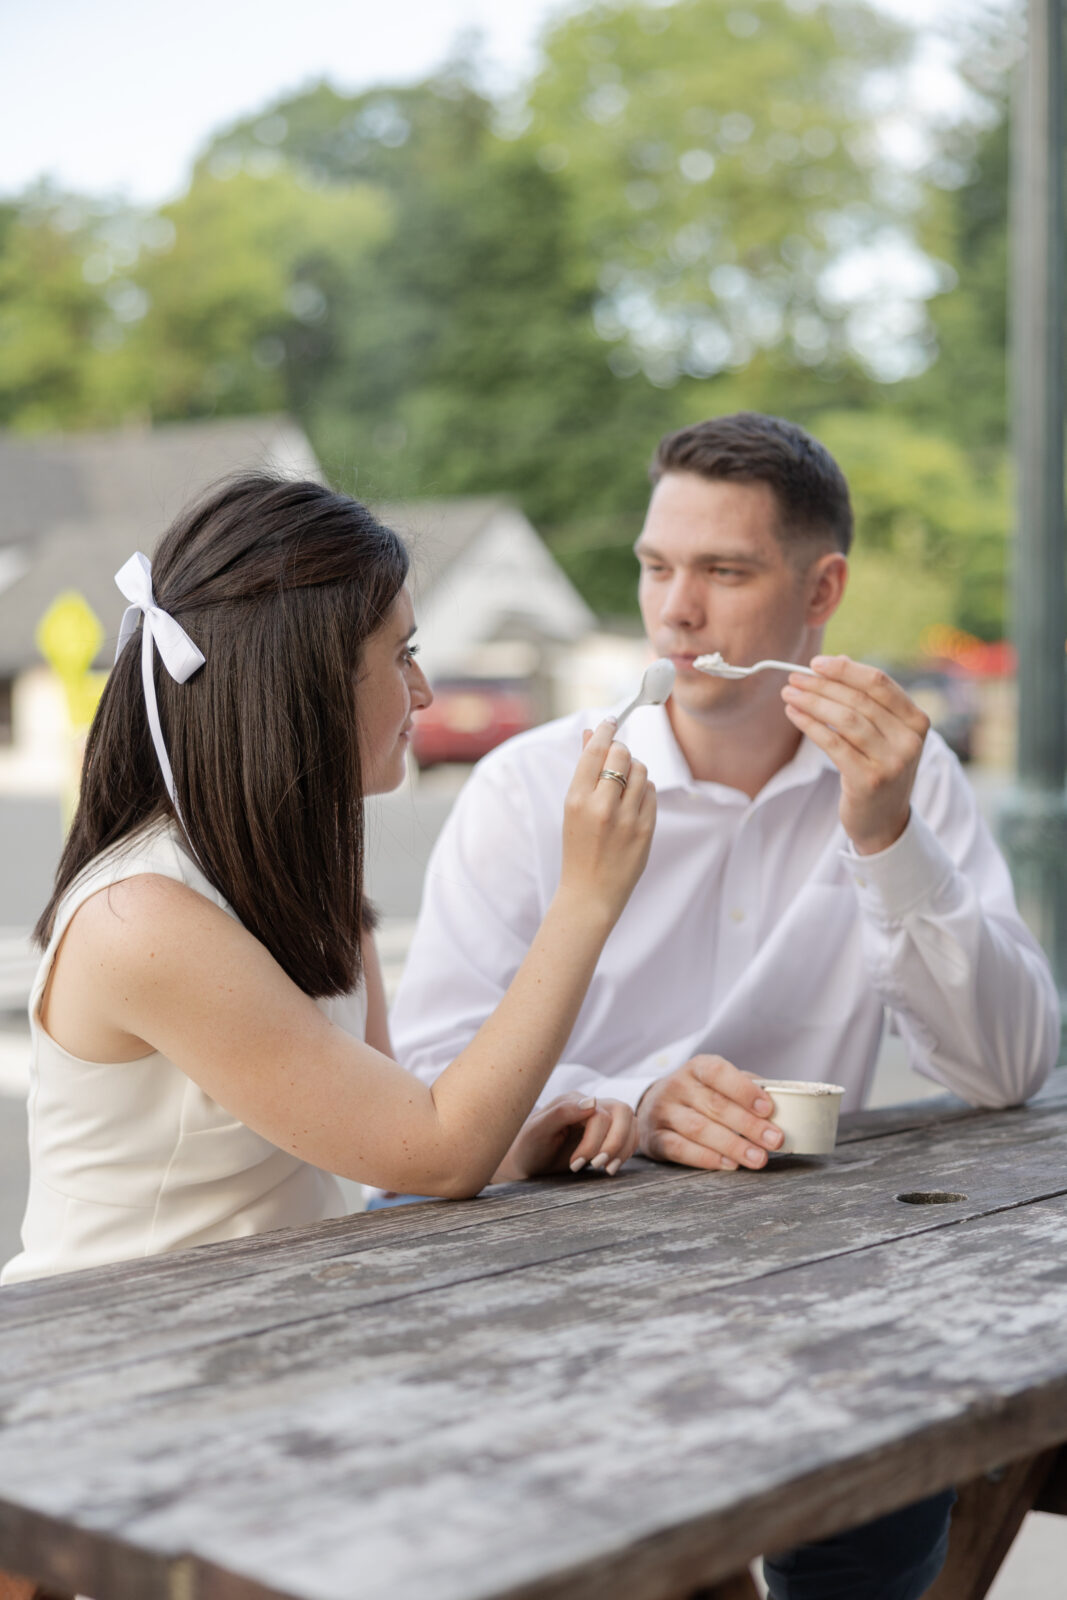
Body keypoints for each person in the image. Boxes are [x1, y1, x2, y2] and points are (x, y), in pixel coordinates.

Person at [389, 412, 1059, 1599]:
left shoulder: (903, 782)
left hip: (809, 1288)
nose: (676, 612)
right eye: (655, 567)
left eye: (724, 572)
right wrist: (627, 1105)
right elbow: (428, 1073)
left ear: (821, 591)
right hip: (552, 1288)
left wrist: (886, 837)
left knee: (886, 1477)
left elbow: (1006, 1070)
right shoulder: (530, 785)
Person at [1, 474, 653, 1286]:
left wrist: (515, 1146)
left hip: (270, 1320)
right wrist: (585, 899)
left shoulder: (299, 873)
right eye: (402, 656)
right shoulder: (141, 918)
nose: (424, 692)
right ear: (303, 682)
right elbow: (441, 1149)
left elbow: (388, 1131)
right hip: (110, 1340)